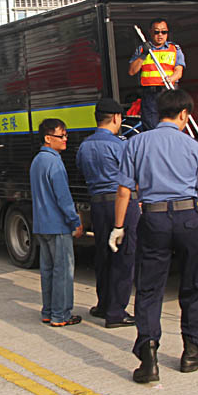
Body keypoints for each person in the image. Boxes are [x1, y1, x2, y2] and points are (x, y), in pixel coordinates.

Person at [110, 89, 198, 383]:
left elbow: (124, 190)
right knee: (193, 285)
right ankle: (192, 351)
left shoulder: (136, 143)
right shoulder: (193, 147)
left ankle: (149, 358)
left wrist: (118, 227)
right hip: (187, 220)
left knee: (149, 289)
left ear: (158, 113)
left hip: (153, 219)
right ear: (183, 114)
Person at [75, 98, 137, 328]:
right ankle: (117, 312)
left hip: (98, 205)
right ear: (116, 118)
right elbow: (132, 177)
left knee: (103, 255)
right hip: (120, 204)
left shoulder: (85, 146)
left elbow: (81, 171)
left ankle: (103, 305)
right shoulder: (120, 145)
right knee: (123, 255)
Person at [30, 118, 84, 328]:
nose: (65, 140)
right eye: (61, 136)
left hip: (42, 225)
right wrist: (74, 220)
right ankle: (61, 315)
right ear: (47, 138)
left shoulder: (37, 161)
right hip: (58, 225)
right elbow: (63, 196)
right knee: (63, 271)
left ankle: (49, 311)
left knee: (48, 270)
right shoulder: (54, 162)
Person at [128, 18, 184, 132]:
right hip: (150, 94)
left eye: (164, 32)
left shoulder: (174, 49)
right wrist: (144, 54)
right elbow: (132, 71)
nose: (160, 35)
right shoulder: (142, 49)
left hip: (168, 92)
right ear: (150, 32)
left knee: (172, 124)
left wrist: (171, 78)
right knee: (151, 127)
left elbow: (179, 71)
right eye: (156, 32)